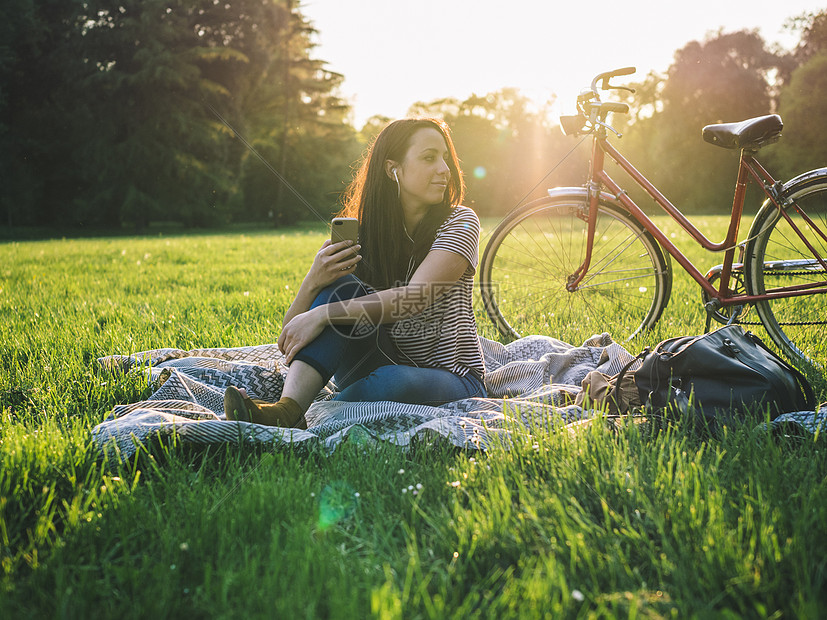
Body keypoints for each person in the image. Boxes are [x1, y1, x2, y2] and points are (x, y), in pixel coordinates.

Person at [224, 118, 486, 428]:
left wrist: (323, 315)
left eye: (446, 158)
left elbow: (415, 298)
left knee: (391, 379)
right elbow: (290, 335)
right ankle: (287, 409)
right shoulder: (362, 236)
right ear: (393, 169)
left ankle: (297, 412)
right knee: (343, 289)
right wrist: (313, 282)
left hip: (452, 377)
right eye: (430, 158)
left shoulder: (461, 223)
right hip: (372, 360)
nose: (445, 169)